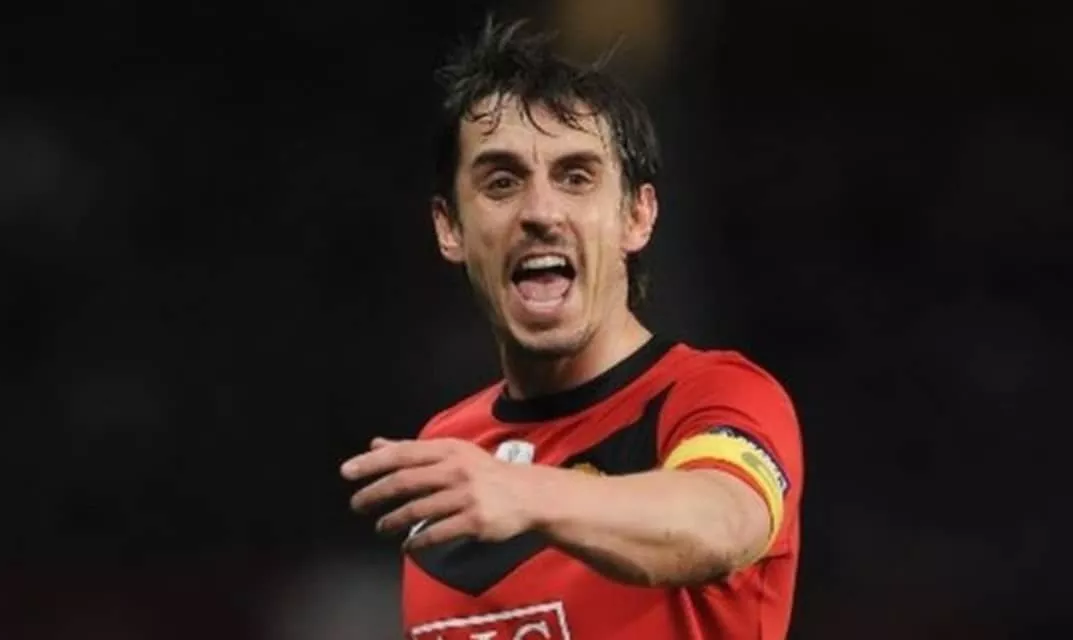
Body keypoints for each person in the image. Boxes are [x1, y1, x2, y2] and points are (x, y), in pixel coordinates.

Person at [340, 17, 804, 640]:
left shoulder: (713, 397)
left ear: (638, 216)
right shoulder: (451, 452)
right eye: (502, 182)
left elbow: (723, 523)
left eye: (576, 177)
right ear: (450, 228)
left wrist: (527, 494)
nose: (540, 212)